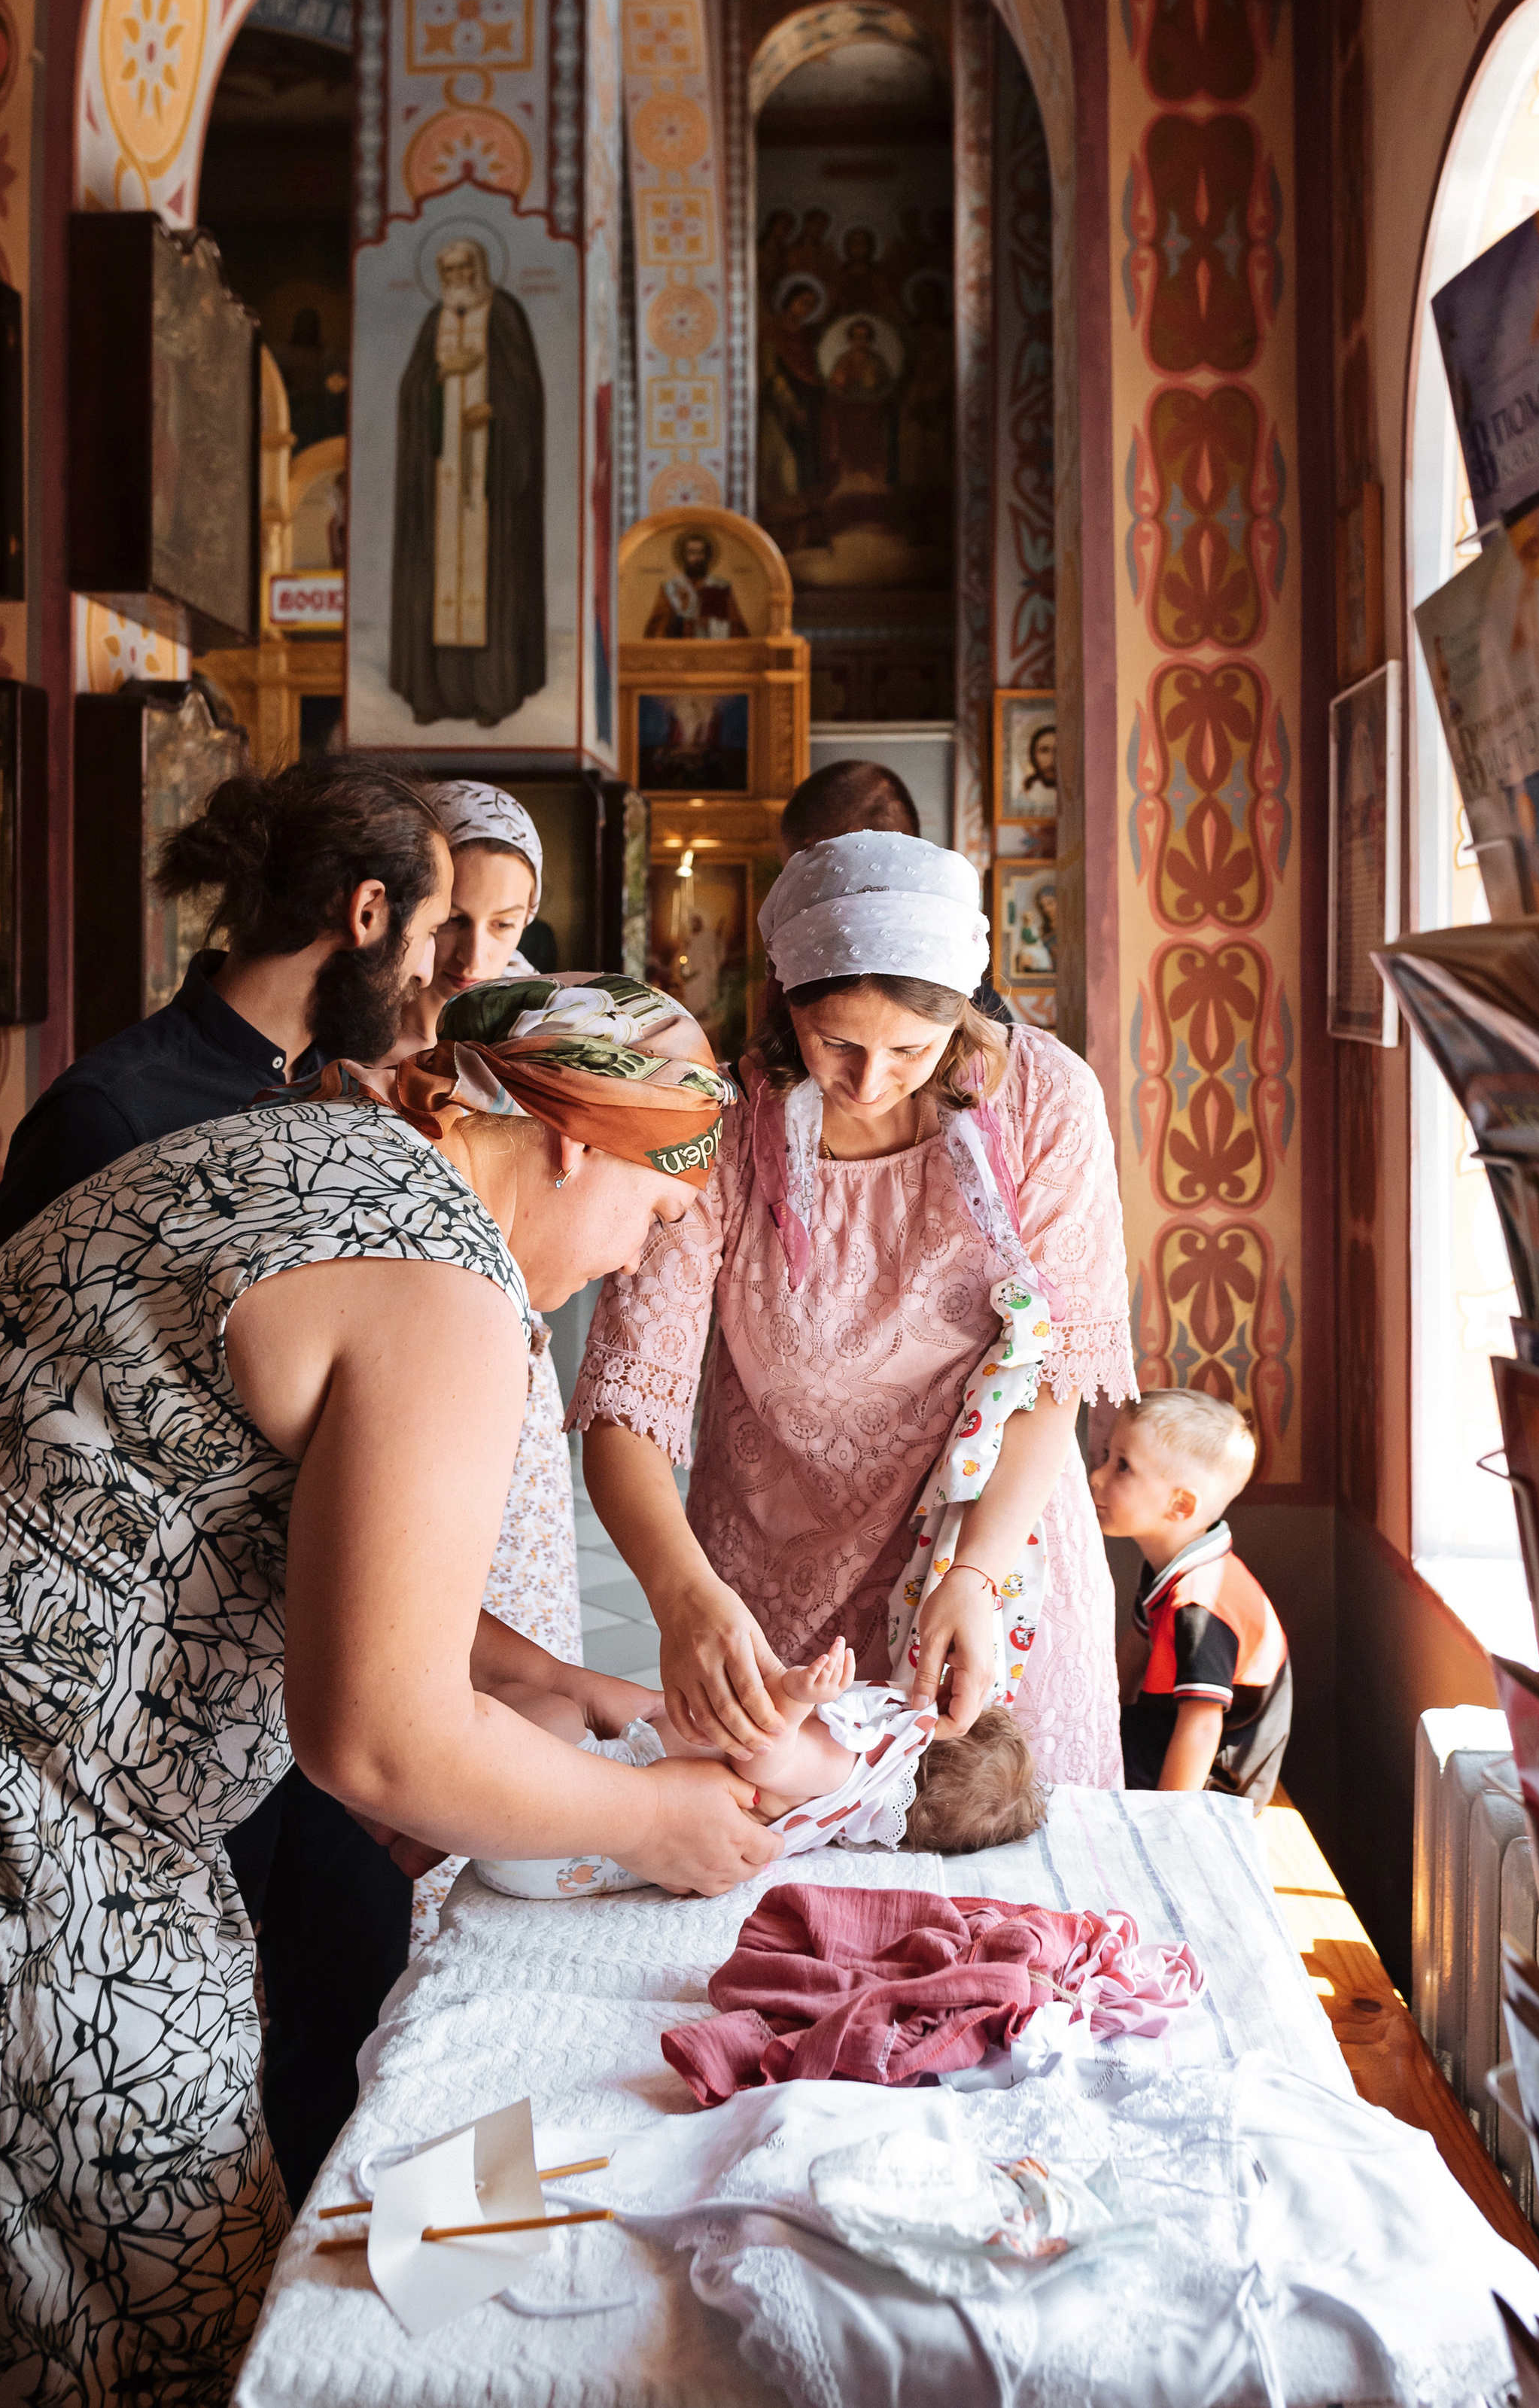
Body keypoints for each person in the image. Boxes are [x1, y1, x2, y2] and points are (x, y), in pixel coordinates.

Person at [0, 979, 777, 2399]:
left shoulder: (320, 1154)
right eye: (659, 1212)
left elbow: (285, 1521)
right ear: (578, 1141)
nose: (641, 1257)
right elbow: (380, 1739)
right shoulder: (444, 1281)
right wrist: (658, 1819)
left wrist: (554, 1681)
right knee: (159, 2309)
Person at [0, 758, 456, 2215]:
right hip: (115, 1690)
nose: (436, 975)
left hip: (267, 1641)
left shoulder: (325, 1097)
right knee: (322, 1999)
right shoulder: (113, 1113)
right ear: (363, 915)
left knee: (380, 1976)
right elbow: (27, 1430)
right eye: (431, 938)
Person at [573, 830, 1134, 1793]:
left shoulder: (1043, 1103)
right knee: (780, 1861)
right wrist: (680, 1597)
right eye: (835, 1042)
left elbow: (1058, 1370)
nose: (870, 1083)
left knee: (997, 1869)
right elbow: (628, 1401)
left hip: (992, 1553)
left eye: (910, 1050)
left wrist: (974, 1576)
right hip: (770, 1577)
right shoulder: (721, 1125)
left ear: (959, 1018)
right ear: (786, 1002)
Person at [385, 780, 582, 1939]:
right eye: (456, 913)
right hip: (413, 1368)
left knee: (514, 1641)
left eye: (507, 924)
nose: (474, 950)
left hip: (501, 1372)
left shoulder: (518, 1043)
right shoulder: (348, 1048)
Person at [485, 1636, 1044, 1890]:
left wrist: (798, 1702)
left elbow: (764, 1759)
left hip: (572, 1809)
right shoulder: (843, 1814)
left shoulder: (848, 1765)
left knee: (546, 1712)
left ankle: (441, 1748)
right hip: (562, 1858)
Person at [1090, 1390, 1292, 1808]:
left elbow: (1201, 1727)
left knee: (1058, 1773)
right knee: (1065, 1742)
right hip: (1164, 1732)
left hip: (1210, 1784)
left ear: (1180, 1506)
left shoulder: (1200, 1604)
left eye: (1122, 1466)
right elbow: (1134, 1649)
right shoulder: (1174, 1566)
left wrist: (1168, 1823)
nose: (1097, 1476)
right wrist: (1096, 1714)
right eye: (1108, 1455)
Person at [390, 233, 546, 731]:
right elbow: (413, 386)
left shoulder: (503, 313)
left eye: (465, 268)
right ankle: (432, 693)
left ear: (479, 268)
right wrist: (436, 384)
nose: (458, 278)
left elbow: (526, 387)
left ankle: (491, 693)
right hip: (439, 479)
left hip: (489, 477)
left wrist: (497, 410)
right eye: (449, 271)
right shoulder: (434, 320)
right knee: (435, 578)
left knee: (488, 577)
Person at [779, 757, 1014, 1027]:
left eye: (790, 874)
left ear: (818, 859)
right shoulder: (966, 988)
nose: (786, 901)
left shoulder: (965, 1013)